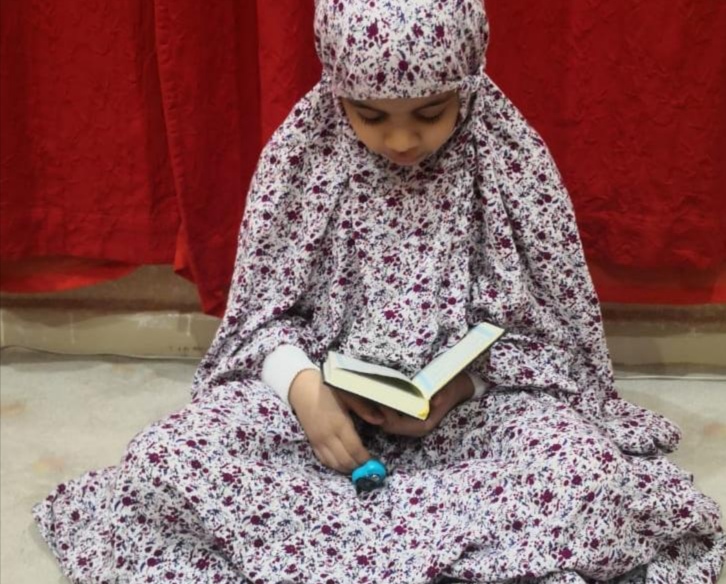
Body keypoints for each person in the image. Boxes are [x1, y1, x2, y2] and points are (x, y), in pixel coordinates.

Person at [33, 1, 725, 582]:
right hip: (317, 415)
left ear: (469, 84)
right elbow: (259, 318)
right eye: (369, 115)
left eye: (430, 112)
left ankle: (362, 547)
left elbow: (545, 331)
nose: (400, 140)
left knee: (585, 476)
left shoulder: (506, 162)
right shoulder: (303, 158)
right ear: (337, 91)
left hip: (477, 420)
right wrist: (303, 389)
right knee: (165, 461)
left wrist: (464, 387)